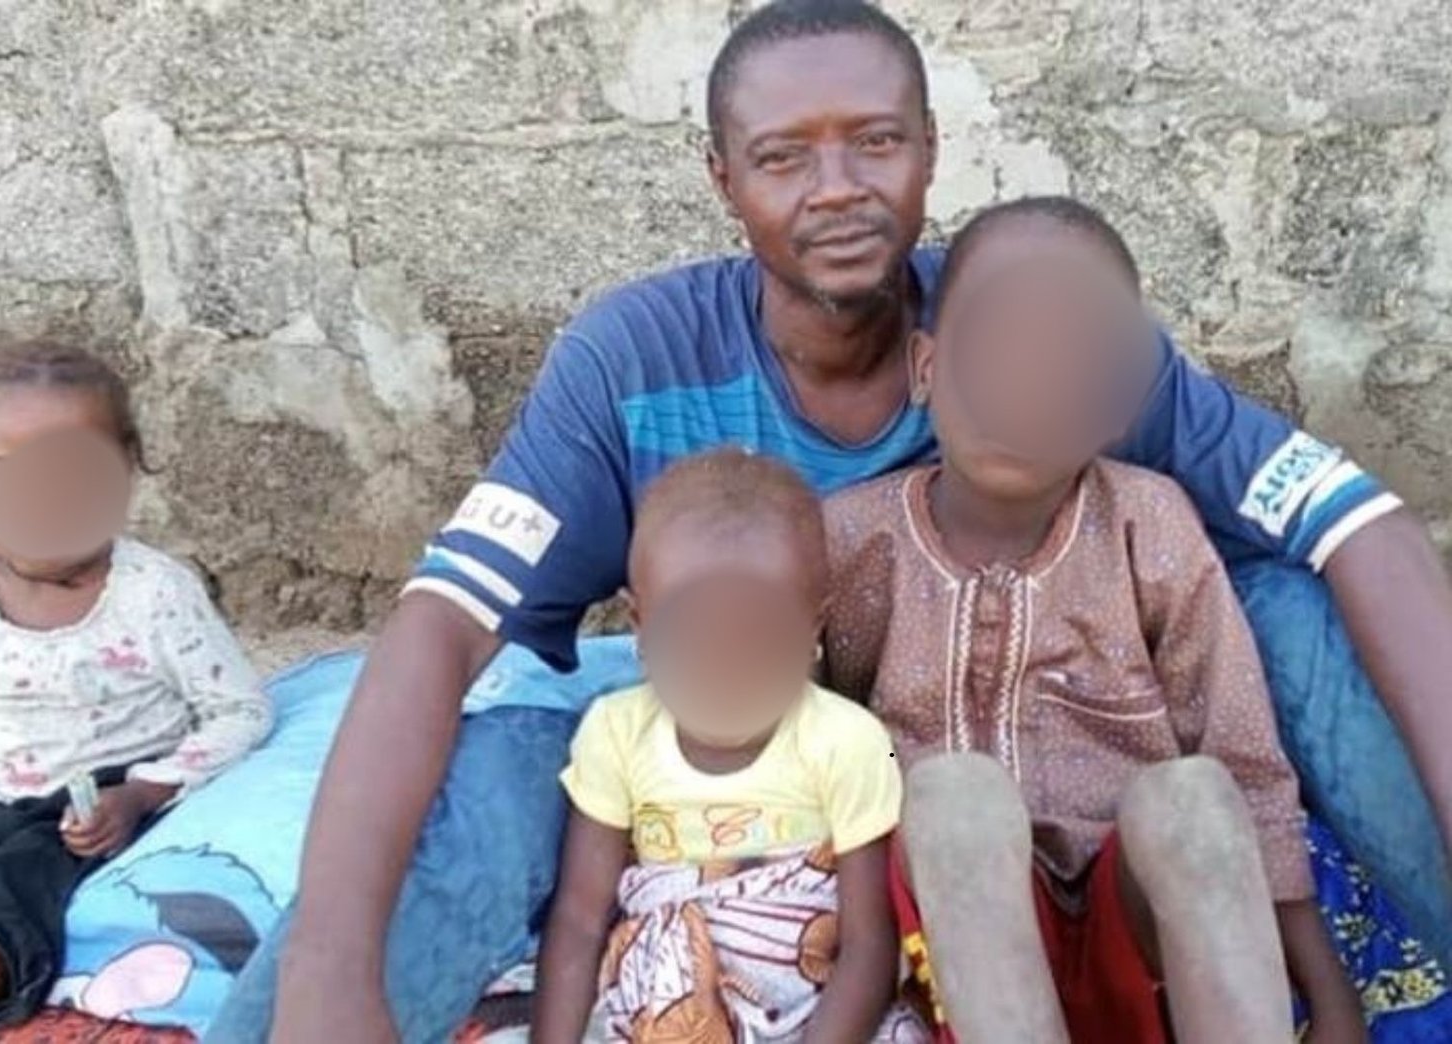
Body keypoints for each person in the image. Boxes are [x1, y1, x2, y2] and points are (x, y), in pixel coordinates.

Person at [216, 2, 1452, 1040]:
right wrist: (333, 965)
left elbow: (1360, 522)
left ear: (930, 150)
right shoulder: (629, 361)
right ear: (720, 176)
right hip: (754, 751)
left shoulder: (1027, 316)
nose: (838, 189)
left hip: (1027, 811)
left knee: (1294, 607)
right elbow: (442, 623)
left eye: (874, 142)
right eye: (782, 156)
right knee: (498, 760)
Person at [822, 196, 1365, 1044]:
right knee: (952, 797)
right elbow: (808, 732)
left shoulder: (1150, 523)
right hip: (951, 947)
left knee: (1191, 795)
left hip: (1135, 929)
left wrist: (1330, 997)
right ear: (927, 367)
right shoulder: (854, 538)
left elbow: (1244, 761)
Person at [0, 340, 273, 1044]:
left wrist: (143, 794)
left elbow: (241, 711)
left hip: (89, 812)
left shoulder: (152, 592)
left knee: (13, 892)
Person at [532, 449, 921, 1043]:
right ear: (640, 627)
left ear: (813, 628)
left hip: (815, 1010)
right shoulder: (615, 732)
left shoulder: (848, 741)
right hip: (665, 1005)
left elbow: (870, 941)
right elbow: (582, 918)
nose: (725, 665)